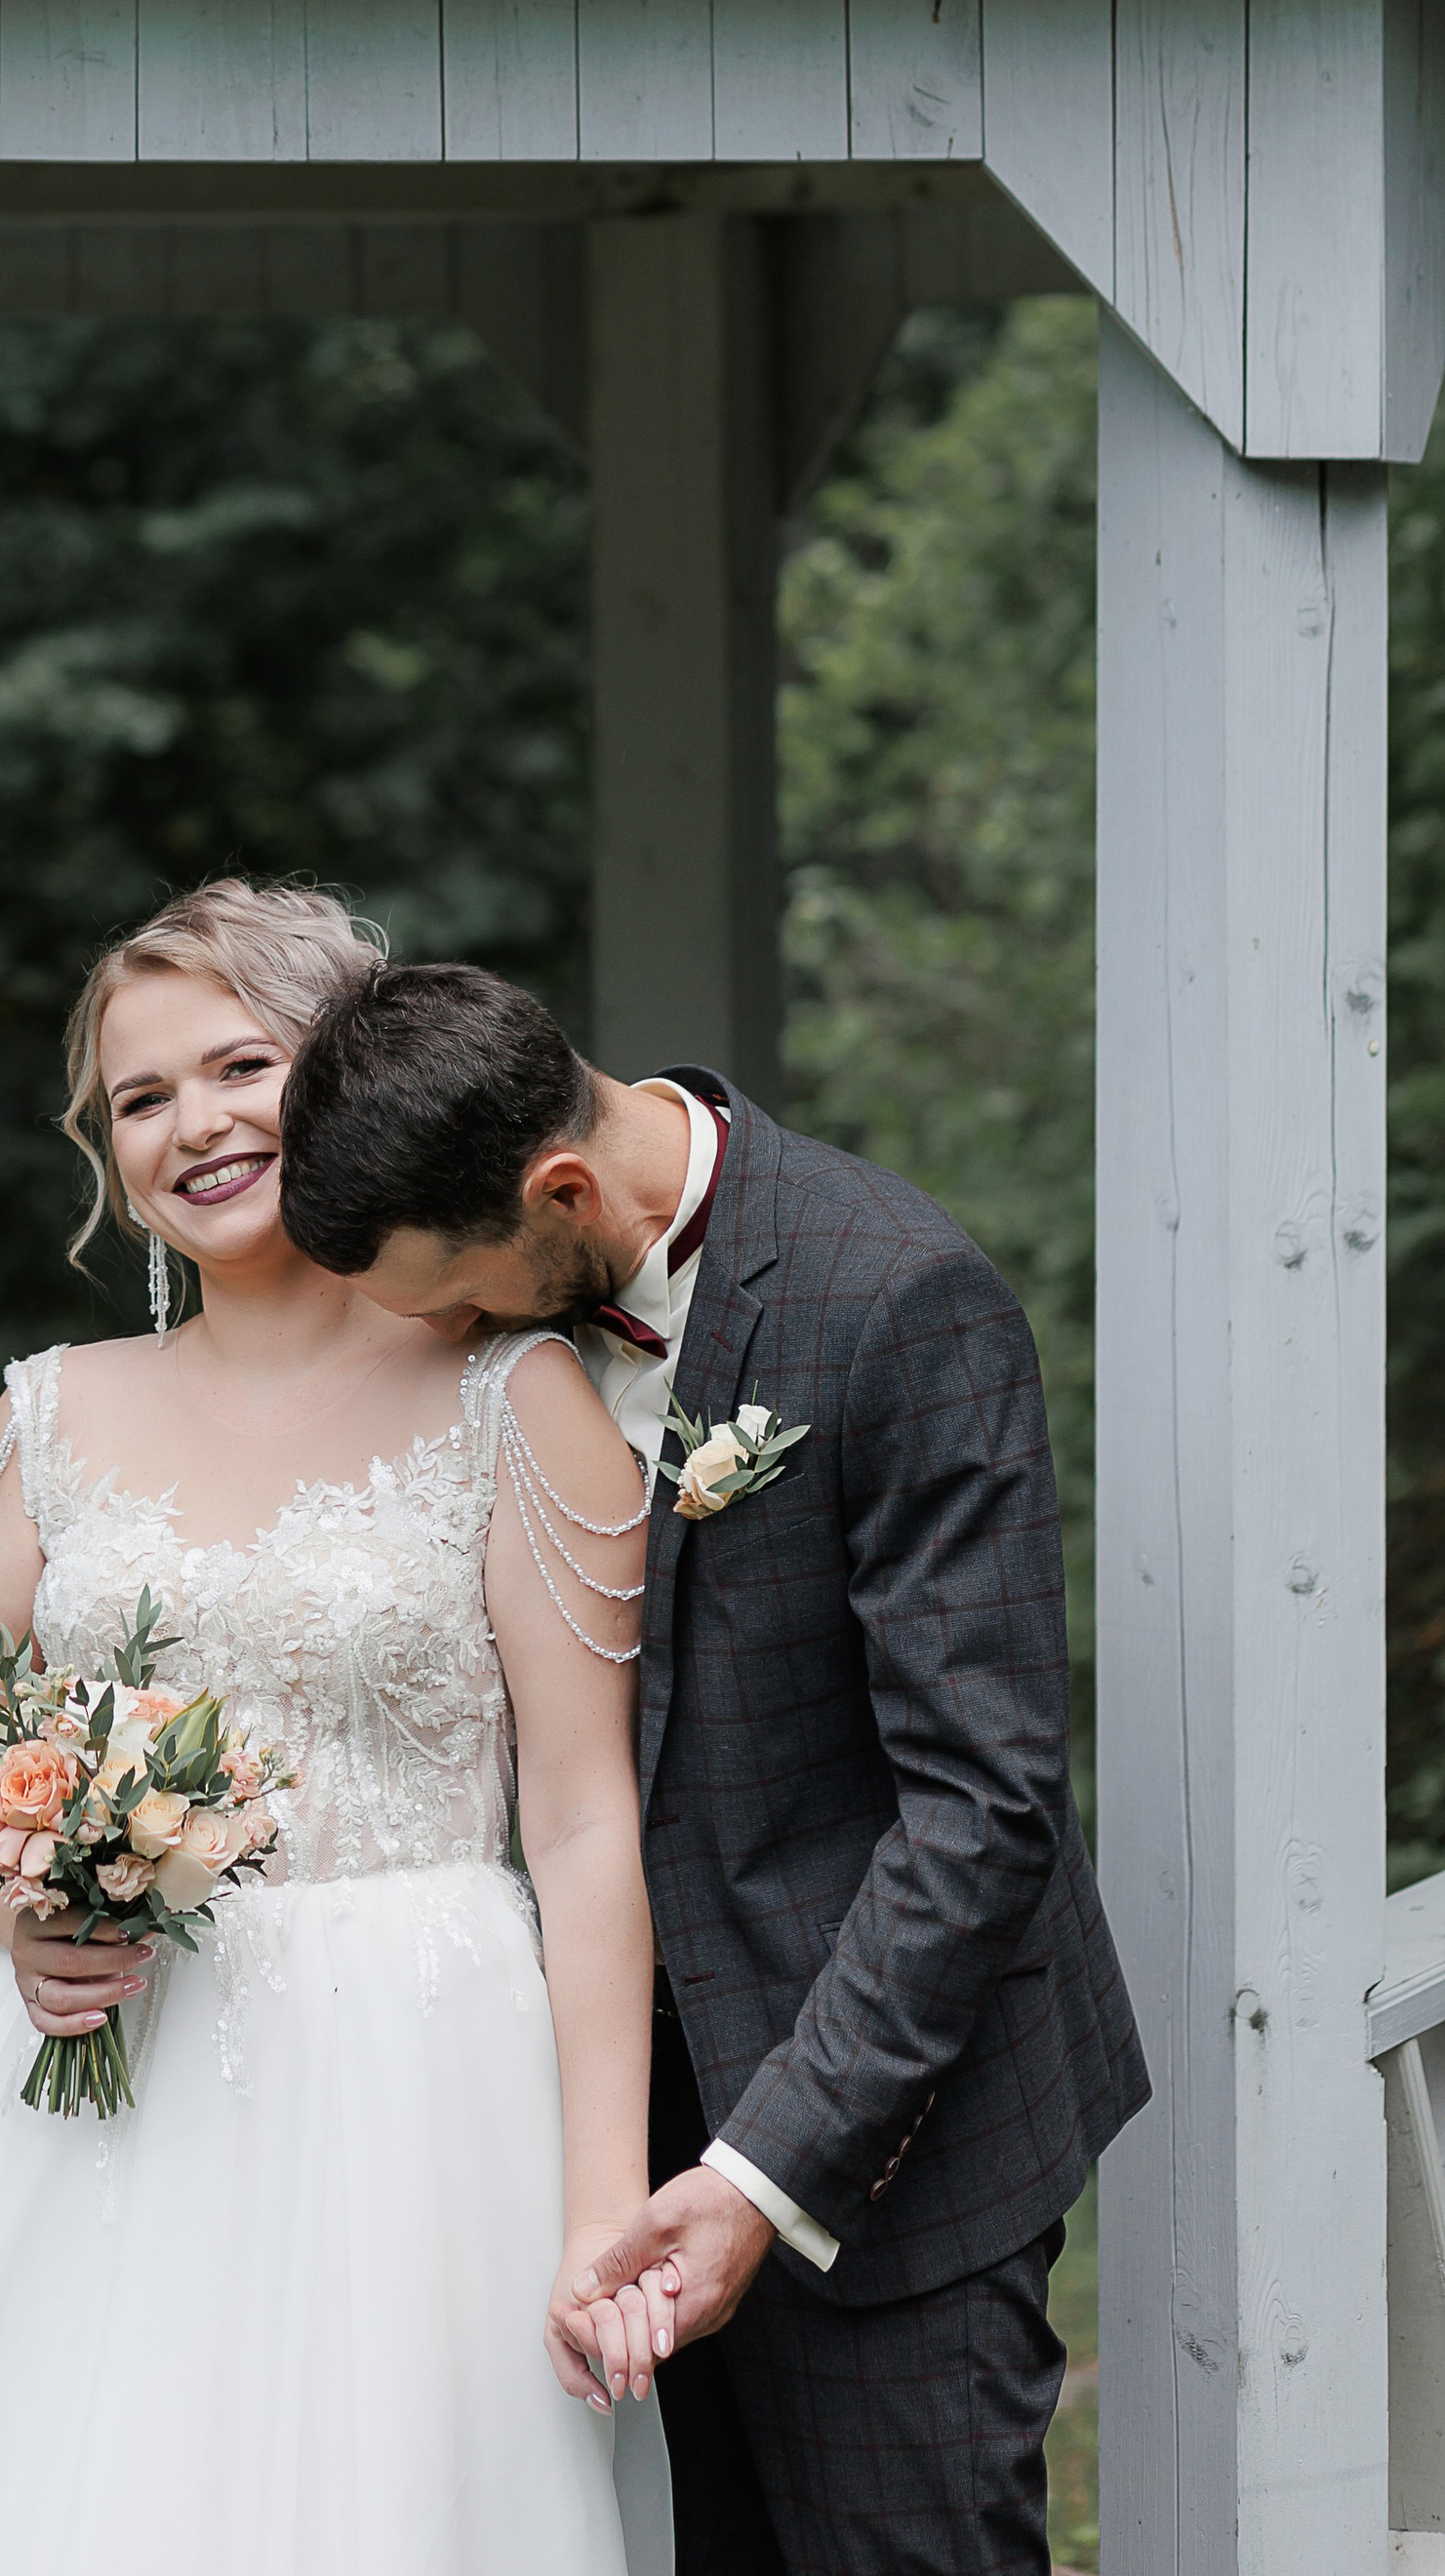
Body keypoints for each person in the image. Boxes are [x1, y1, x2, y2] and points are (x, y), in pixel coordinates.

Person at [0, 883, 678, 2576]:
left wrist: (604, 2203)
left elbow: (587, 1829)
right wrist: (22, 1909)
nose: (193, 1125)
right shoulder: (49, 1412)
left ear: (351, 1077)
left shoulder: (519, 1399)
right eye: (141, 1099)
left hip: (414, 2093)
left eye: (240, 1068)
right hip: (72, 2095)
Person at [274, 966, 1150, 2576]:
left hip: (886, 2134)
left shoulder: (895, 1296)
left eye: (450, 1285)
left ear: (559, 1189)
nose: (442, 1329)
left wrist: (760, 2174)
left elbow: (984, 1809)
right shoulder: (503, 1325)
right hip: (593, 2142)